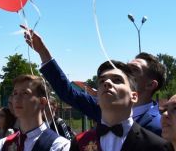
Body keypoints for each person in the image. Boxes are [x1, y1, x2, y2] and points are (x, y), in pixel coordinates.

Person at [24, 26, 165, 135]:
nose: (125, 73)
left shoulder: (161, 125)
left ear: (151, 84)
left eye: (133, 70)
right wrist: (42, 51)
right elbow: (67, 91)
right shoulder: (103, 107)